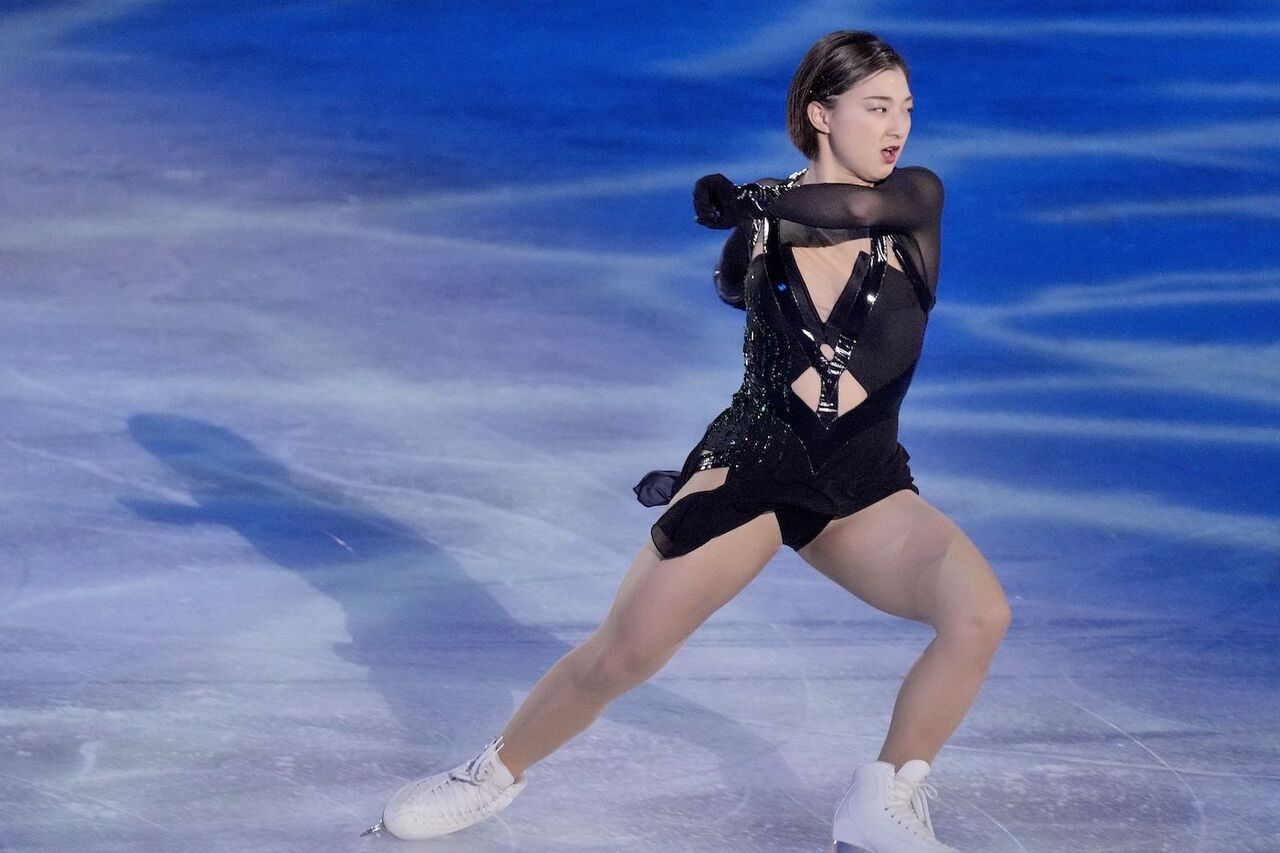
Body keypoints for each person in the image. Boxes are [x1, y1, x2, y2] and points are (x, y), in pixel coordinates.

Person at [364, 30, 1011, 853]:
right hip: (754, 468)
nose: (898, 127)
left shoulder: (913, 201)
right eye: (876, 108)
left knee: (979, 614)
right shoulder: (763, 230)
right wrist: (752, 229)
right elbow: (738, 287)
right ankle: (487, 775)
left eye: (906, 109)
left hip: (863, 481)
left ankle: (883, 795)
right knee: (622, 655)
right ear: (821, 114)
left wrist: (752, 203)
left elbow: (850, 210)